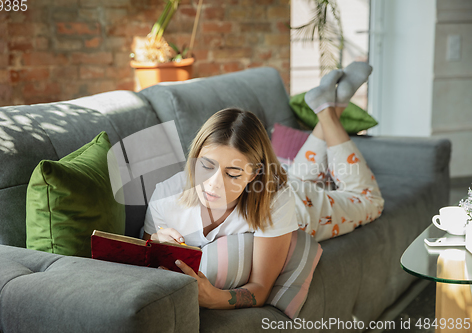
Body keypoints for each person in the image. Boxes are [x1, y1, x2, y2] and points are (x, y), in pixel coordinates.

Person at [142, 61, 384, 310]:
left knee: (369, 201)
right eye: (206, 165)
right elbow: (144, 248)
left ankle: (326, 110)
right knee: (298, 176)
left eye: (232, 174)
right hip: (285, 180)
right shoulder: (165, 196)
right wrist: (157, 240)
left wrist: (215, 298)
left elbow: (260, 288)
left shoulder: (274, 200)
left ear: (253, 174)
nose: (213, 185)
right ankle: (332, 102)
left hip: (303, 207)